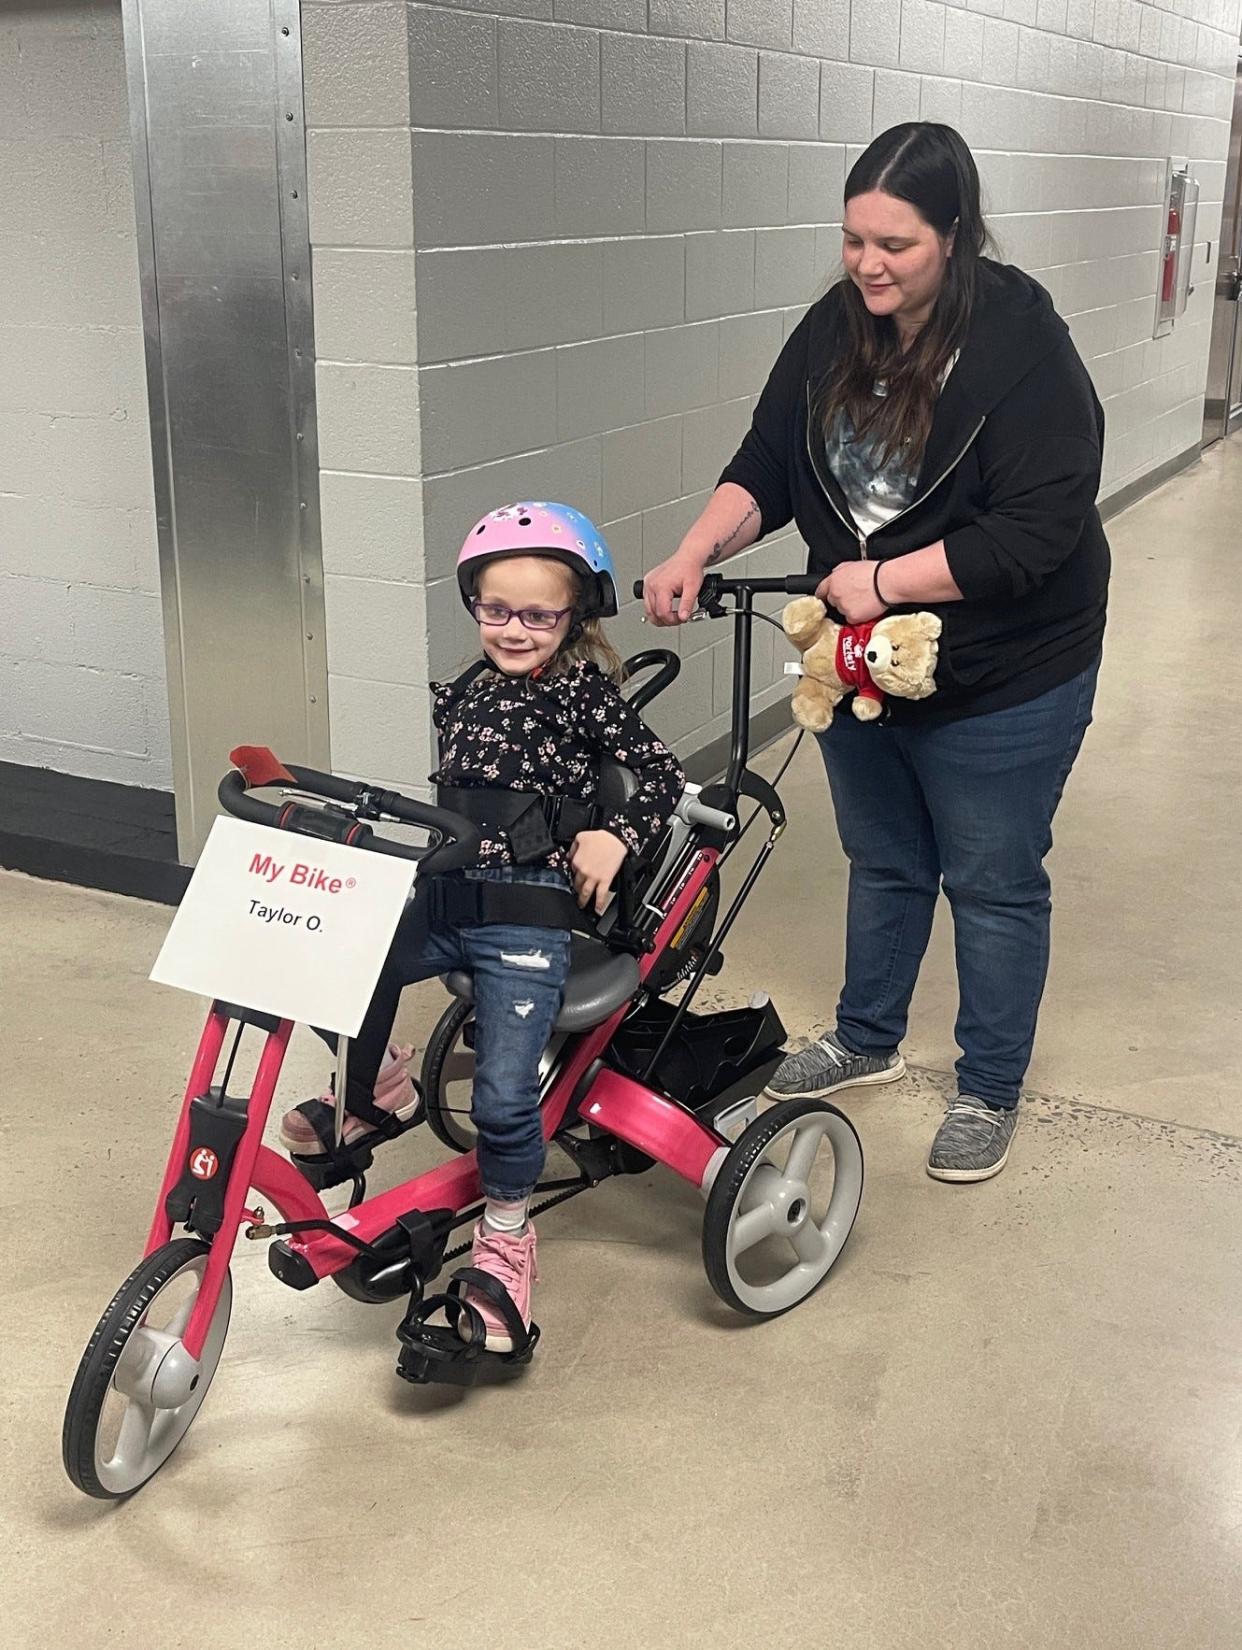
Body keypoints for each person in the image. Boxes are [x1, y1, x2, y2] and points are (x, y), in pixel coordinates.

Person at [642, 122, 1108, 1184]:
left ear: (953, 233)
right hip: (861, 662)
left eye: (894, 243)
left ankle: (988, 1086)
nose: (868, 264)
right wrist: (695, 547)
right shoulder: (836, 327)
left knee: (990, 879)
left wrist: (886, 580)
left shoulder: (1021, 344)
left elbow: (1039, 531)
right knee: (886, 858)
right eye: (854, 239)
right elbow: (768, 456)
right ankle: (866, 1035)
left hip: (1007, 669)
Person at [282, 503, 684, 1344]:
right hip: (446, 893)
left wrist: (614, 833)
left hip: (525, 916)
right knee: (324, 962)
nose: (512, 628)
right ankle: (372, 1091)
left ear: (576, 615)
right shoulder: (467, 687)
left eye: (538, 613)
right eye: (494, 609)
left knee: (506, 1104)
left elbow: (658, 775)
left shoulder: (582, 694)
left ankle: (505, 1237)